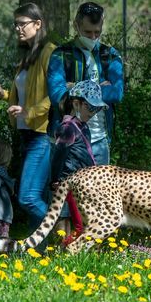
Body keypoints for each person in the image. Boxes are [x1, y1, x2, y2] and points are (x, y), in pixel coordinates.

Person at [0, 2, 56, 229]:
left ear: (38, 24)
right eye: (15, 24)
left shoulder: (50, 52)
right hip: (26, 133)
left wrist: (28, 112)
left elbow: (55, 96)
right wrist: (3, 95)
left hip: (42, 134)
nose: (18, 28)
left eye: (22, 24)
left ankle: (62, 231)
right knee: (38, 196)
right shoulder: (26, 57)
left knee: (27, 197)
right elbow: (23, 98)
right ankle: (40, 249)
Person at [47, 1, 124, 165]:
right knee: (62, 190)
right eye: (88, 32)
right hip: (66, 139)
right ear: (76, 25)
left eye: (98, 32)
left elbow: (117, 93)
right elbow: (57, 95)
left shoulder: (110, 55)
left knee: (100, 191)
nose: (93, 37)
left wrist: (73, 87)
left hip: (100, 139)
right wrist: (100, 87)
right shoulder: (60, 55)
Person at [50, 80, 107, 238]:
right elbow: (58, 155)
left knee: (81, 224)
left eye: (98, 108)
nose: (94, 112)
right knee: (64, 220)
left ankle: (74, 255)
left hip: (82, 185)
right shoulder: (68, 128)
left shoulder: (83, 127)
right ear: (76, 104)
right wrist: (55, 179)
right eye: (90, 107)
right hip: (67, 183)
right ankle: (61, 253)